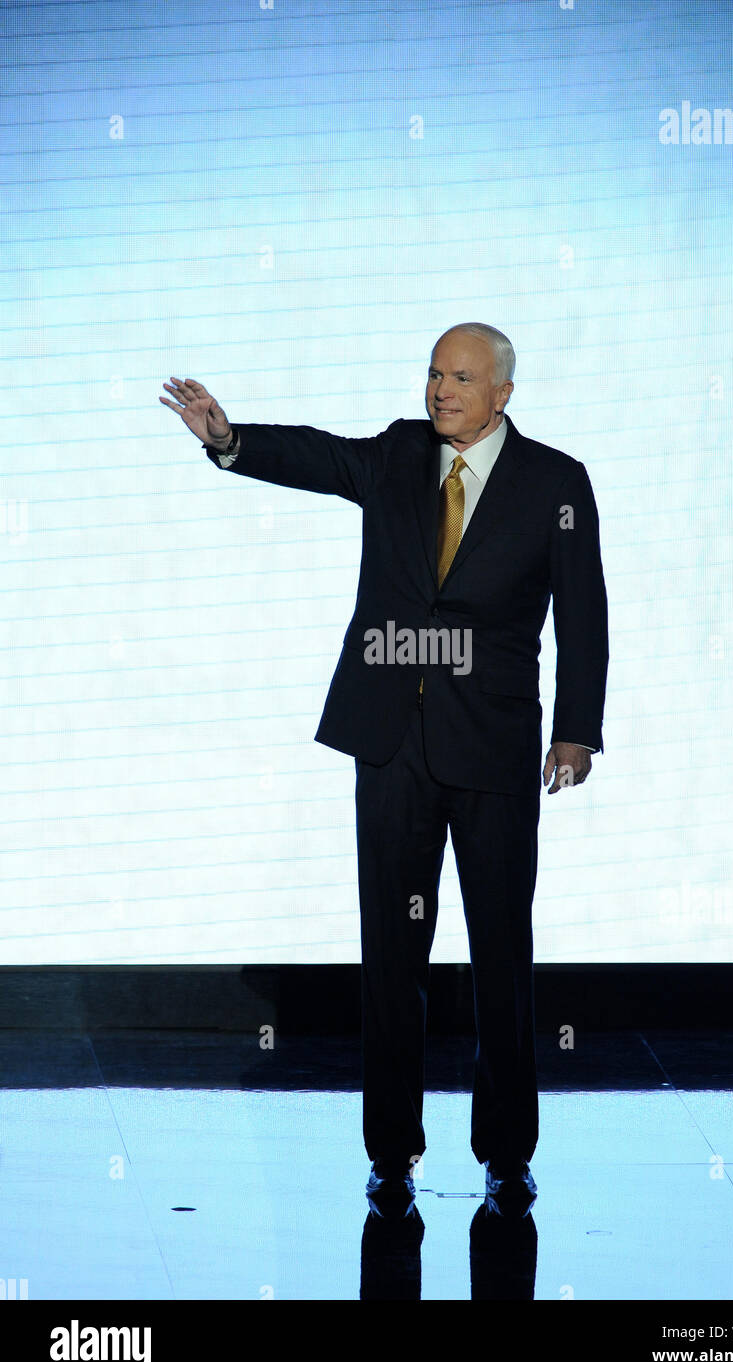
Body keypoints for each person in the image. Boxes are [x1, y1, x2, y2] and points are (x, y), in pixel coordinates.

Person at [160, 322, 608, 1212]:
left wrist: (576, 731)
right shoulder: (403, 453)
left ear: (502, 395)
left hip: (491, 750)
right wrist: (230, 440)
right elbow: (322, 459)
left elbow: (583, 611)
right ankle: (392, 1152)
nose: (441, 391)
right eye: (434, 373)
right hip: (392, 745)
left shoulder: (556, 482)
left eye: (461, 378)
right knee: (390, 955)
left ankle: (505, 1153)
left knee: (500, 956)